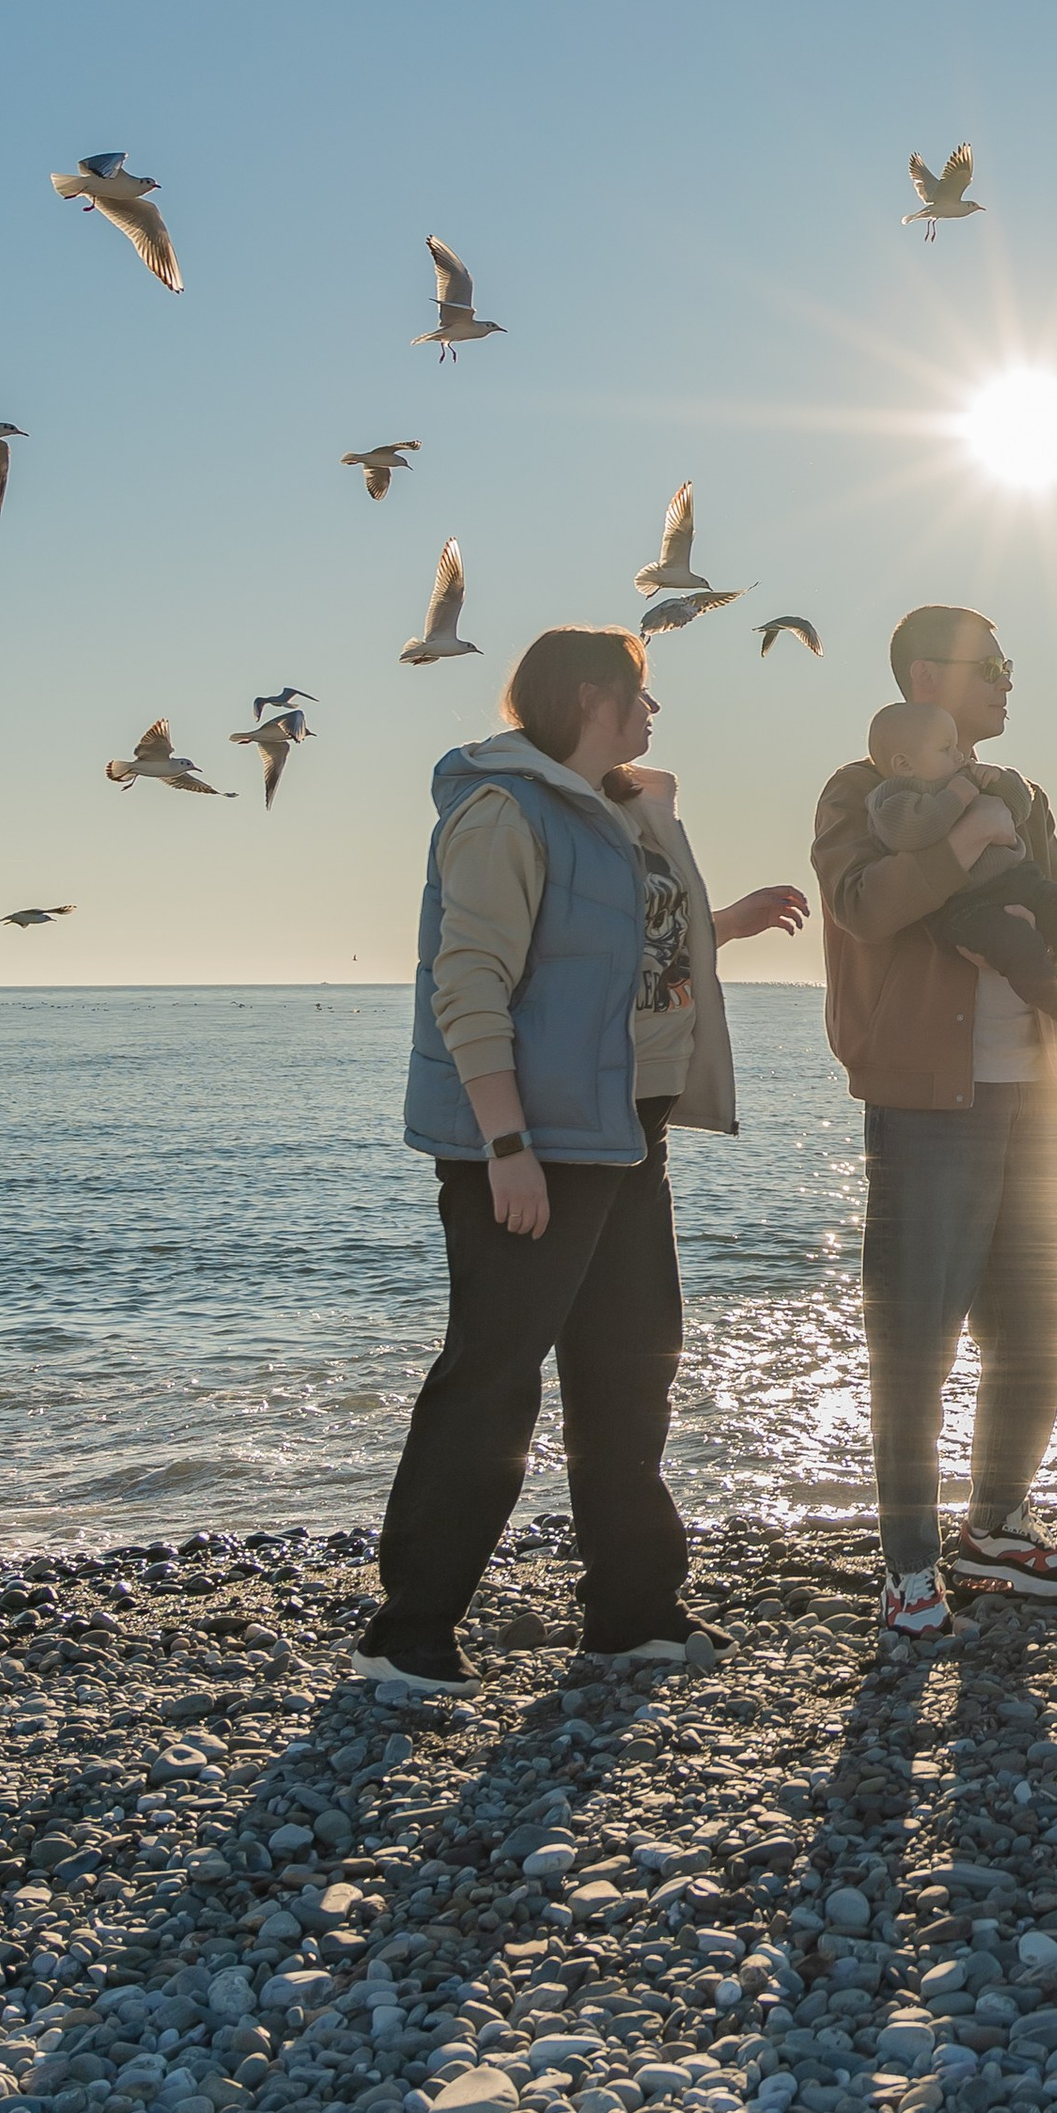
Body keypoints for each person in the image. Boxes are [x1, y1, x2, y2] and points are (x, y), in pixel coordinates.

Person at [356, 626, 808, 1690]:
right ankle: (408, 1632)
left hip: (623, 1133)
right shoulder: (503, 810)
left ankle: (632, 1613)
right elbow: (467, 982)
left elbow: (629, 952)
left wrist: (722, 923)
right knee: (493, 1378)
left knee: (629, 1374)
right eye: (643, 694)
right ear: (595, 694)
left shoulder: (621, 811)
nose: (655, 714)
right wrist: (504, 1143)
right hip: (531, 1145)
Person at [813, 604, 1057, 1642]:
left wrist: (1035, 905)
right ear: (923, 678)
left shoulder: (1019, 791)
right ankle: (906, 1572)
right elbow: (865, 904)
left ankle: (996, 1531)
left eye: (1010, 662)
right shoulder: (860, 789)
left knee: (1031, 1332)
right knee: (916, 1343)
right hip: (924, 1099)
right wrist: (969, 848)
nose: (1007, 681)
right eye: (992, 665)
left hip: (1034, 1086)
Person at [864, 698, 1057, 1050]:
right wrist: (956, 800)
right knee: (1017, 946)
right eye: (946, 749)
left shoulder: (964, 776)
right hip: (963, 903)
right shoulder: (892, 796)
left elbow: (1021, 809)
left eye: (957, 747)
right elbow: (911, 831)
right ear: (905, 764)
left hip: (1018, 881)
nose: (960, 757)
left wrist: (1003, 781)